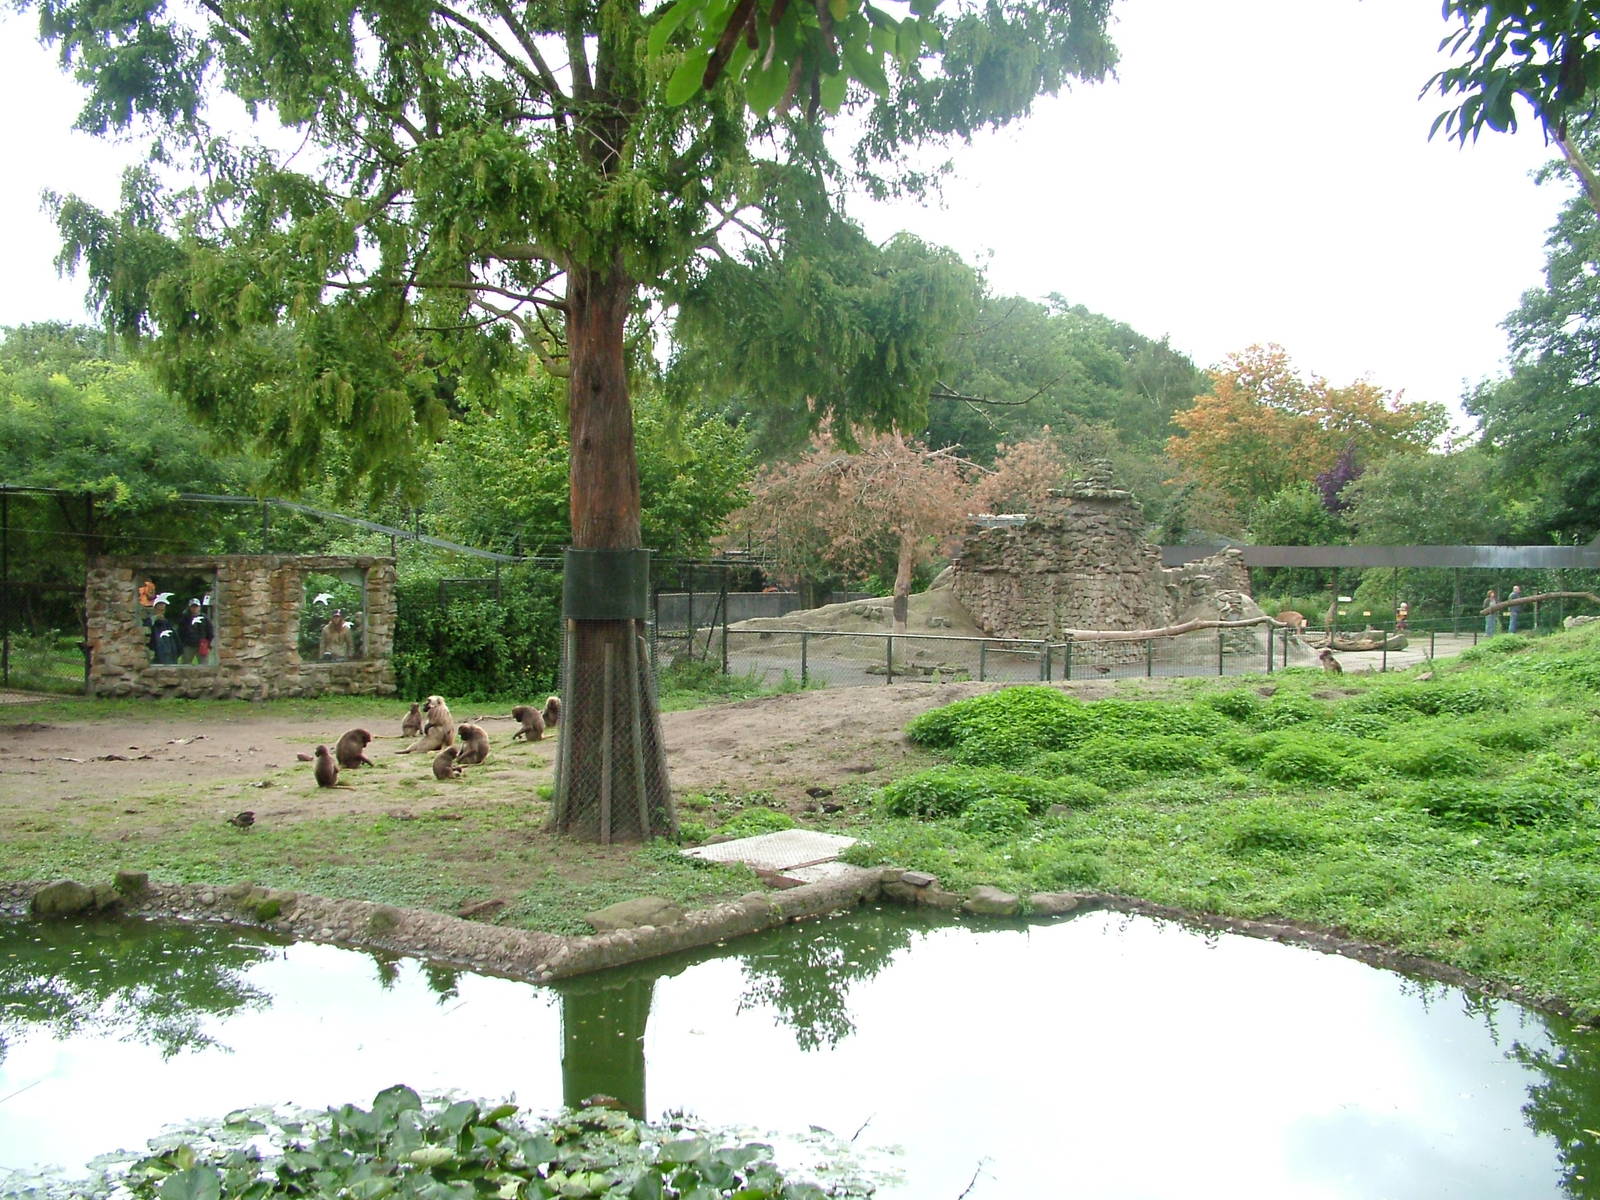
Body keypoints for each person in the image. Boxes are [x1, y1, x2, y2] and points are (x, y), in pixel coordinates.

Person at [178, 598, 215, 664]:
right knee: (185, 664)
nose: (194, 608)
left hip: (202, 645)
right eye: (192, 606)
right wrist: (183, 643)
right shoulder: (184, 618)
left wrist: (208, 644)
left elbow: (210, 631)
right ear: (189, 607)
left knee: (204, 665)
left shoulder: (205, 618)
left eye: (196, 606)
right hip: (188, 645)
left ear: (199, 607)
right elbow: (180, 631)